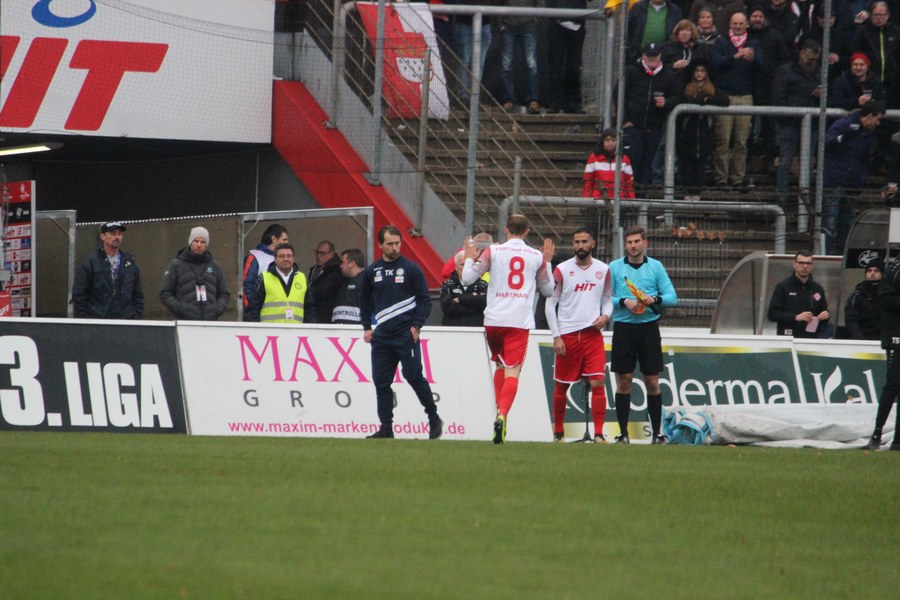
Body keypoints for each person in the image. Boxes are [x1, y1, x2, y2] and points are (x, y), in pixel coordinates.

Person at [461, 214, 555, 444]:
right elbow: (548, 290)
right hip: (518, 321)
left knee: (500, 365)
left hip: (494, 320)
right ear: (527, 232)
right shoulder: (536, 256)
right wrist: (548, 262)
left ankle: (499, 413)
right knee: (513, 370)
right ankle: (503, 414)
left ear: (506, 229)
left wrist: (470, 259)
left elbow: (467, 279)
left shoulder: (493, 251)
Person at [359, 226, 443, 440]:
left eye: (397, 243)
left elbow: (424, 300)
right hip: (382, 336)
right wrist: (367, 327)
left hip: (405, 334)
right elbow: (363, 300)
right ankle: (386, 427)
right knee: (381, 382)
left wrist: (416, 326)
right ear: (380, 245)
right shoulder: (373, 271)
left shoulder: (411, 269)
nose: (395, 247)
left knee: (413, 375)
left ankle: (433, 416)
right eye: (390, 244)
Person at [609, 226, 677, 445]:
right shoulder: (615, 267)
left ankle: (657, 434)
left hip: (648, 328)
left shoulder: (655, 267)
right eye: (629, 242)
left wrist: (653, 299)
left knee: (652, 382)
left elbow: (672, 297)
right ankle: (623, 434)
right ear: (625, 245)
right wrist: (624, 301)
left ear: (645, 243)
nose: (633, 246)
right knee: (624, 381)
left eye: (637, 241)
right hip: (623, 328)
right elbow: (603, 298)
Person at [544, 228, 613, 442]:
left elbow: (608, 300)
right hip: (568, 335)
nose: (580, 246)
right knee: (562, 385)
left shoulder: (604, 269)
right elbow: (550, 304)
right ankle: (558, 433)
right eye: (576, 242)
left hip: (592, 335)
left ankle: (599, 434)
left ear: (592, 243)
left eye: (584, 241)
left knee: (598, 382)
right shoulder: (562, 270)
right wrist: (556, 336)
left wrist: (605, 316)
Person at [823, 100, 885, 255]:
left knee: (847, 224)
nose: (878, 123)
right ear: (869, 116)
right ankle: (823, 255)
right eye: (877, 119)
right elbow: (828, 142)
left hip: (853, 184)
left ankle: (842, 256)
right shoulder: (843, 124)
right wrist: (844, 137)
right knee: (829, 222)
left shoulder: (869, 133)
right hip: (835, 181)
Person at [711, 11, 764, 190]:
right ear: (730, 25)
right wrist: (735, 56)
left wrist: (753, 59)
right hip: (725, 96)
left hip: (745, 96)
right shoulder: (721, 42)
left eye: (741, 23)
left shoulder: (753, 43)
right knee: (723, 140)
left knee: (741, 141)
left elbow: (762, 67)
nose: (738, 26)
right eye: (735, 23)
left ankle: (737, 178)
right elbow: (716, 63)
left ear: (746, 25)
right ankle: (721, 178)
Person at [622, 42, 682, 186]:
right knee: (632, 161)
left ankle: (643, 195)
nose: (652, 58)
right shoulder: (632, 71)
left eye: (655, 55)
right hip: (633, 126)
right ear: (643, 56)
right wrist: (625, 119)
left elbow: (678, 96)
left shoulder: (668, 75)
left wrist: (666, 102)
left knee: (648, 163)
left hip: (655, 127)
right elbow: (619, 94)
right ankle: (629, 194)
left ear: (660, 56)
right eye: (649, 55)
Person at [772, 39, 822, 209]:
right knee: (785, 163)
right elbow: (778, 98)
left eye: (815, 60)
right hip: (789, 125)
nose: (812, 63)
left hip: (811, 126)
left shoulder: (819, 72)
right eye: (810, 59)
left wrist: (821, 96)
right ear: (802, 54)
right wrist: (786, 120)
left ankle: (805, 202)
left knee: (807, 165)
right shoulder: (786, 71)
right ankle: (782, 201)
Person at [677, 58, 730, 194]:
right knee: (687, 168)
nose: (699, 74)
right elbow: (682, 100)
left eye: (702, 71)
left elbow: (725, 100)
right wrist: (702, 100)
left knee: (700, 168)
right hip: (687, 133)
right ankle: (687, 195)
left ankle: (697, 196)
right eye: (697, 71)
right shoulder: (686, 87)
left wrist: (708, 99)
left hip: (704, 133)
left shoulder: (711, 88)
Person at [72, 221, 144, 319]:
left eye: (119, 234)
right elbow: (79, 295)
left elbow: (138, 294)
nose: (117, 237)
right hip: (99, 320)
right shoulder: (91, 263)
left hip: (126, 320)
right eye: (113, 233)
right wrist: (87, 319)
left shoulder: (129, 262)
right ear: (102, 236)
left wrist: (135, 315)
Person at [864, 257, 900, 450]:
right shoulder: (893, 270)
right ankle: (877, 433)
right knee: (893, 384)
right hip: (895, 335)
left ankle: (897, 440)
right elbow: (885, 300)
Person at [159, 226, 230, 320]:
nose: (199, 245)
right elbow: (165, 293)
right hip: (185, 323)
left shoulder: (215, 266)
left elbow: (224, 293)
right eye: (196, 241)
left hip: (210, 323)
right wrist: (181, 309)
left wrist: (216, 310)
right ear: (190, 242)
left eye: (203, 242)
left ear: (206, 245)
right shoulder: (175, 265)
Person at [245, 243, 316, 323]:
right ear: (275, 259)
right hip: (270, 330)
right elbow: (253, 308)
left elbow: (309, 309)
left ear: (293, 259)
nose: (286, 259)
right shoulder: (264, 278)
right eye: (282, 256)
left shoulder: (302, 278)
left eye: (289, 256)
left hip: (295, 330)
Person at [767, 250, 830, 337]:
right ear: (794, 264)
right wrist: (795, 317)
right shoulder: (783, 287)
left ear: (812, 266)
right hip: (788, 337)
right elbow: (772, 314)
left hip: (811, 338)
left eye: (808, 263)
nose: (805, 266)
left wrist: (825, 316)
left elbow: (823, 312)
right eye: (801, 263)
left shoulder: (817, 288)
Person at [851, 2, 899, 107]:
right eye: (876, 15)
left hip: (893, 83)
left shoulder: (896, 32)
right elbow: (856, 54)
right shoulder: (863, 32)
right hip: (870, 83)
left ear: (888, 15)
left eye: (881, 15)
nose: (878, 18)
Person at [499, 0, 541, 114]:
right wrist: (500, 22)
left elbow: (540, 2)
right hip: (508, 24)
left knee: (531, 65)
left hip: (528, 24)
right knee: (506, 66)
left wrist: (536, 19)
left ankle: (532, 101)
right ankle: (509, 101)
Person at [546, 0, 588, 114]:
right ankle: (555, 102)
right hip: (557, 22)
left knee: (574, 66)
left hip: (577, 24)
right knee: (555, 65)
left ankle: (572, 102)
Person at [241, 223, 289, 316]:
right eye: (284, 240)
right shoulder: (255, 256)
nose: (287, 243)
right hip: (258, 315)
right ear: (274, 239)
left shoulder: (284, 259)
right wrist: (252, 311)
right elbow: (246, 285)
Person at [582, 128, 636, 200]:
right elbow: (588, 181)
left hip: (619, 200)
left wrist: (631, 200)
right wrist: (586, 200)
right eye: (607, 140)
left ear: (617, 142)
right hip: (598, 200)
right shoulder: (593, 158)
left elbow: (629, 183)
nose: (610, 143)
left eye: (613, 140)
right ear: (602, 141)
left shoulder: (624, 159)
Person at [626, 0, 685, 65]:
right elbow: (628, 30)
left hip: (665, 59)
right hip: (637, 56)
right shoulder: (638, 7)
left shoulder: (675, 10)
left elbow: (678, 32)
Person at [440, 250, 489, 326]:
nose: (466, 268)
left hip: (476, 329)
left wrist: (461, 299)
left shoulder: (482, 284)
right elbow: (448, 307)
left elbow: (484, 304)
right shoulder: (448, 284)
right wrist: (473, 302)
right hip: (452, 329)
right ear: (456, 267)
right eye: (462, 264)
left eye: (469, 264)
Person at [844, 257, 883, 340]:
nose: (872, 273)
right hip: (863, 339)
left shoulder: (887, 295)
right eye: (869, 271)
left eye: (876, 271)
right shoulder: (857, 295)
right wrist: (860, 340)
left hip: (885, 339)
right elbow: (851, 320)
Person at [308, 240, 344, 324]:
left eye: (322, 253)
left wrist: (307, 294)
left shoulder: (336, 271)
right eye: (317, 252)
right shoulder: (315, 269)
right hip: (316, 314)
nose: (318, 256)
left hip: (328, 316)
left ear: (331, 254)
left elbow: (322, 289)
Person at [332, 248, 366, 324]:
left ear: (352, 264)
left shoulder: (366, 282)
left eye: (343, 262)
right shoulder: (344, 282)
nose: (340, 266)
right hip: (340, 328)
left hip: (356, 330)